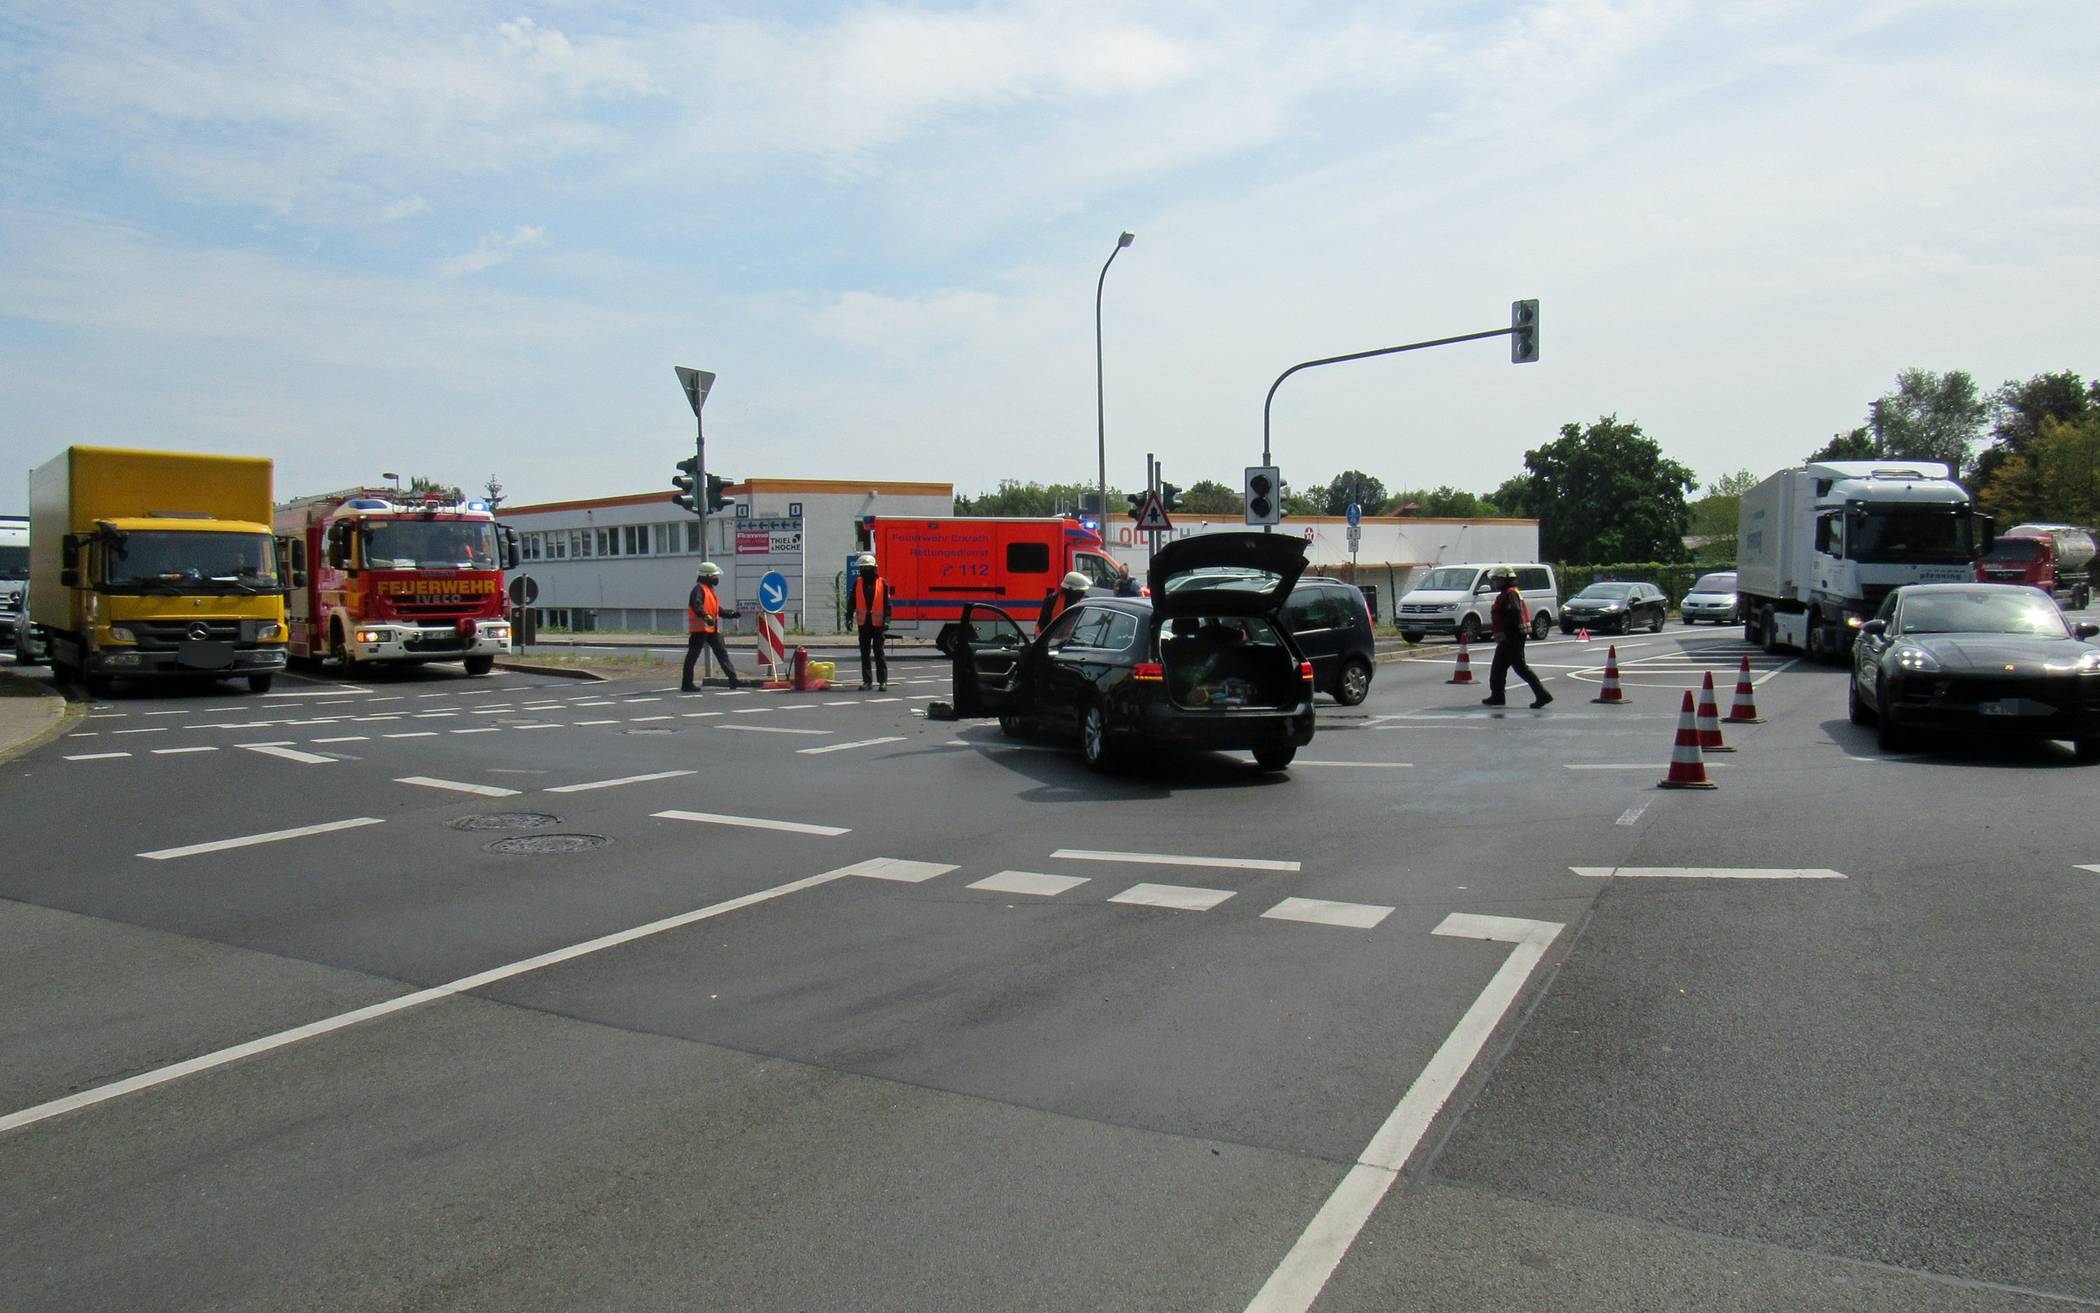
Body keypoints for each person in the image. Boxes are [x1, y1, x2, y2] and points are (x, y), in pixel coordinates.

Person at [1482, 567, 1552, 709]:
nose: (1496, 582)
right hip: (1510, 637)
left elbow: (1514, 612)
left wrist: (1506, 632)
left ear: (1506, 579)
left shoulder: (1510, 594)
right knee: (1498, 668)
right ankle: (1497, 696)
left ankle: (1542, 695)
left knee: (1520, 668)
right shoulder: (1510, 593)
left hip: (1512, 637)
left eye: (1498, 579)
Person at [680, 562, 741, 692]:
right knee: (692, 657)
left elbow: (717, 610)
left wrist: (731, 614)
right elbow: (696, 606)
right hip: (699, 630)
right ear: (707, 576)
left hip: (712, 630)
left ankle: (733, 679)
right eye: (714, 575)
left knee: (722, 654)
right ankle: (686, 684)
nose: (716, 578)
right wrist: (705, 616)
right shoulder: (698, 590)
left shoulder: (709, 590)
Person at [848, 552, 894, 690]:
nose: (865, 570)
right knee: (865, 653)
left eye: (867, 567)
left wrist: (887, 620)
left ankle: (882, 682)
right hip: (864, 624)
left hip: (878, 625)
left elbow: (887, 604)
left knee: (879, 653)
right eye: (862, 568)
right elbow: (852, 602)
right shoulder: (858, 583)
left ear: (874, 568)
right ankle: (867, 682)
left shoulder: (882, 583)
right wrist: (849, 618)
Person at [1037, 570, 1091, 634]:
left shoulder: (1081, 603)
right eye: (1081, 591)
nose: (1083, 593)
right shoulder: (1052, 601)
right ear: (1072, 590)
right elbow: (1043, 624)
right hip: (1052, 639)